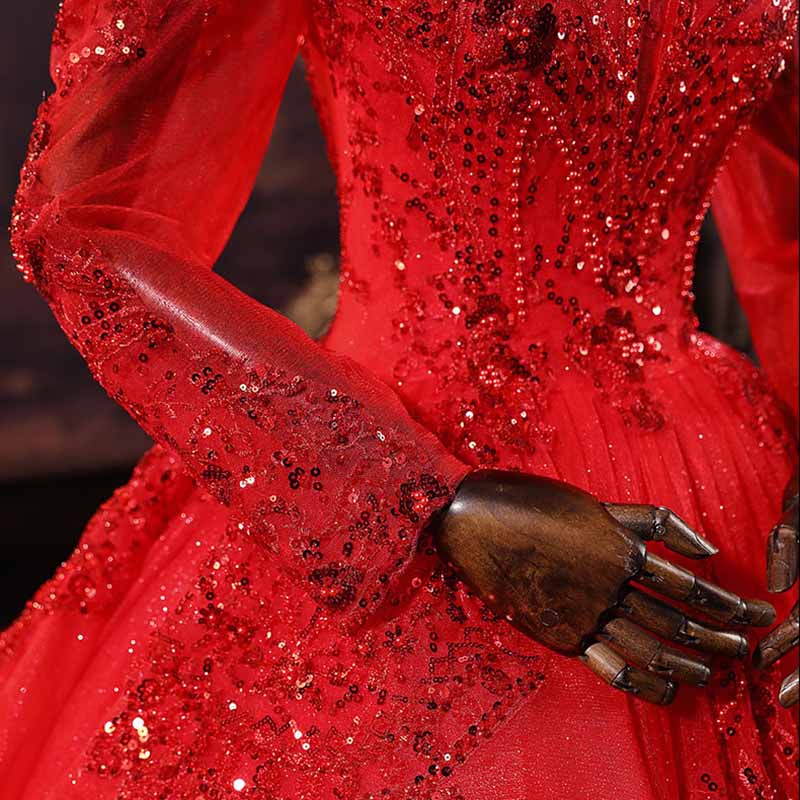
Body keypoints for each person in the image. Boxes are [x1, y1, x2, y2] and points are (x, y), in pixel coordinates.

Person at [1, 1, 797, 797]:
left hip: (730, 489)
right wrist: (405, 495)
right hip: (399, 464)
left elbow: (787, 232)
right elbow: (84, 220)